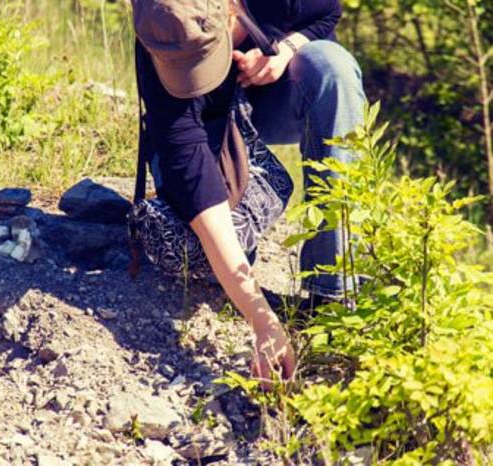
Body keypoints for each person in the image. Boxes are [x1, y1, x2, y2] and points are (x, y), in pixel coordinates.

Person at [131, 0, 366, 387]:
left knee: (332, 68)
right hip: (201, 121)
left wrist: (283, 51)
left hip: (271, 94)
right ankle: (243, 230)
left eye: (204, 58)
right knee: (196, 249)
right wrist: (261, 317)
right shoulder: (162, 25)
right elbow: (194, 178)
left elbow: (327, 13)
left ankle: (333, 294)